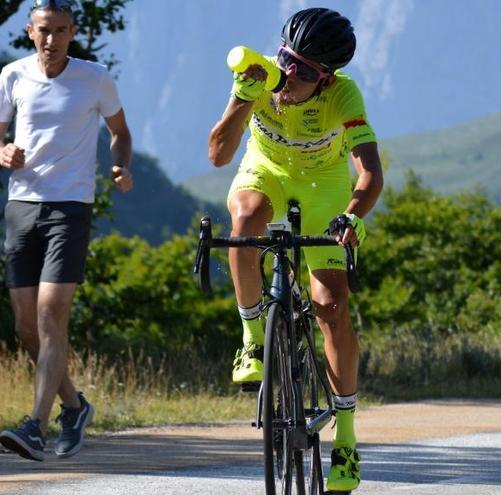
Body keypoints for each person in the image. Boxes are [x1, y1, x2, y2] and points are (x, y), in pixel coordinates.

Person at [208, 7, 383, 492]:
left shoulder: (344, 94)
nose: (289, 74)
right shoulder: (260, 75)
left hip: (323, 184)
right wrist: (243, 99)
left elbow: (369, 172)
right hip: (266, 170)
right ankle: (251, 339)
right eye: (287, 58)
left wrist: (351, 215)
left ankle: (345, 438)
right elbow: (220, 155)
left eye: (304, 70)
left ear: (326, 80)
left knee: (331, 306)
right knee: (243, 220)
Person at [0, 0, 132, 462]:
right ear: (30, 31)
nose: (52, 40)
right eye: (44, 30)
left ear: (73, 32)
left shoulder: (95, 77)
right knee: (27, 327)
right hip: (21, 207)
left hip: (70, 206)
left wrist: (121, 165)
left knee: (50, 316)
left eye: (61, 31)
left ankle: (35, 426)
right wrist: (0, 154)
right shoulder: (13, 75)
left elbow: (120, 131)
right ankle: (75, 405)